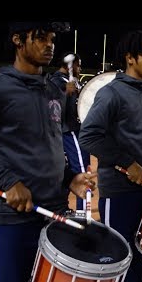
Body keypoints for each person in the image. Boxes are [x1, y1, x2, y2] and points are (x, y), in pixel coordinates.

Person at [0, 21, 96, 282]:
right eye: (40, 37)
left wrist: (69, 179)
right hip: (13, 222)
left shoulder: (53, 91)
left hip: (54, 216)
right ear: (18, 40)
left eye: (51, 38)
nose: (49, 44)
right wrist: (6, 180)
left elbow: (49, 145)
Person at [79, 30, 142, 282]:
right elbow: (89, 136)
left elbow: (140, 140)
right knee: (118, 258)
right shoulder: (112, 93)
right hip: (120, 192)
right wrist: (128, 163)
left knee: (137, 255)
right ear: (130, 58)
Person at [50, 52, 91, 211]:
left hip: (70, 132)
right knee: (81, 171)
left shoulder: (69, 82)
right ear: (70, 66)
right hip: (70, 132)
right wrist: (65, 93)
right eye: (78, 65)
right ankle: (83, 212)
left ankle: (63, 209)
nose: (80, 68)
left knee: (67, 171)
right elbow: (53, 107)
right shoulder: (56, 82)